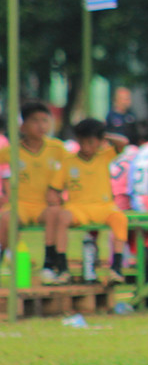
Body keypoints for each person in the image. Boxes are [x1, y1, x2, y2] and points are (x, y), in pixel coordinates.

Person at [0, 101, 72, 285]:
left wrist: (58, 190)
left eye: (45, 120)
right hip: (21, 205)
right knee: (6, 218)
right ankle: (12, 257)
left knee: (55, 212)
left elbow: (70, 169)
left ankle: (49, 264)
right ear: (23, 126)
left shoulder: (56, 148)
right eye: (35, 121)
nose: (41, 126)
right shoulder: (12, 151)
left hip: (44, 205)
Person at [52, 118, 129, 283]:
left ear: (100, 142)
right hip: (78, 208)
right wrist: (57, 202)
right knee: (62, 217)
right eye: (82, 141)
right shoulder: (68, 162)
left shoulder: (104, 156)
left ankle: (116, 268)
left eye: (91, 142)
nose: (86, 147)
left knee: (120, 218)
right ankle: (62, 267)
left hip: (104, 207)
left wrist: (102, 134)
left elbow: (123, 142)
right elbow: (55, 189)